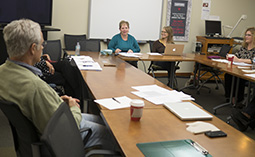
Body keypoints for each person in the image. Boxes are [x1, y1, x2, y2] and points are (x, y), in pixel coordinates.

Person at [0, 19, 116, 151]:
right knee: (114, 134)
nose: (43, 48)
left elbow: (33, 104)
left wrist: (55, 101)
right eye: (42, 44)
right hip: (62, 137)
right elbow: (67, 127)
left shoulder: (3, 72)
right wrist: (73, 107)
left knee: (102, 120)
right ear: (33, 48)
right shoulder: (36, 87)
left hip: (42, 126)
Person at [224, 27, 255, 105]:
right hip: (239, 68)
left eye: (249, 35)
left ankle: (238, 98)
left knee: (239, 78)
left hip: (249, 71)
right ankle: (230, 96)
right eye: (245, 35)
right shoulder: (243, 47)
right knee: (228, 75)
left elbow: (252, 61)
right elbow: (237, 56)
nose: (246, 37)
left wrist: (239, 60)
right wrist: (231, 57)